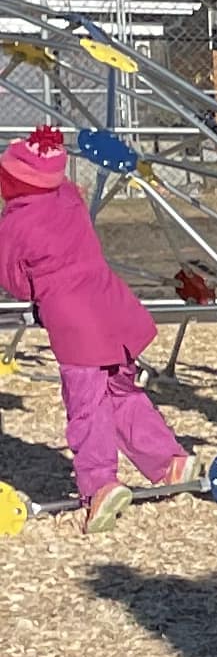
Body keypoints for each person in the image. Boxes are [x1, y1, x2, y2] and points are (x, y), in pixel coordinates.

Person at [0, 128, 195, 528]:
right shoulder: (69, 197)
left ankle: (100, 484)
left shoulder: (16, 223)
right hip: (114, 308)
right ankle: (170, 462)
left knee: (86, 406)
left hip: (77, 325)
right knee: (122, 392)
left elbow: (14, 281)